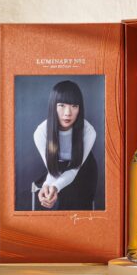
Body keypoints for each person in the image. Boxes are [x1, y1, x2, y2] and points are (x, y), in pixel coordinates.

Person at [32, 80, 97, 210]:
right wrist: (47, 186)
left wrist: (55, 187)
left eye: (74, 106)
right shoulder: (41, 132)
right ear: (53, 106)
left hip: (83, 169)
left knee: (75, 201)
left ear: (79, 108)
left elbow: (74, 170)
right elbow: (52, 169)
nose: (68, 113)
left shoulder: (88, 131)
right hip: (57, 166)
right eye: (61, 105)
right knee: (47, 200)